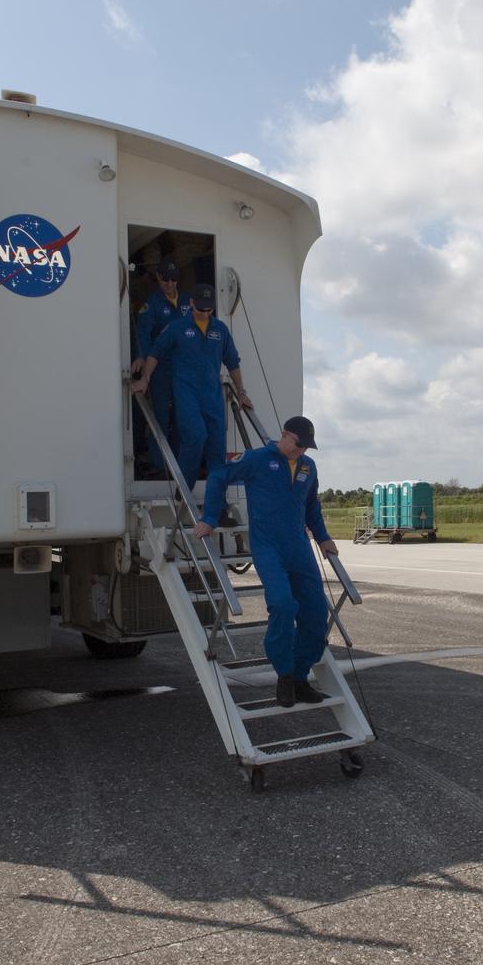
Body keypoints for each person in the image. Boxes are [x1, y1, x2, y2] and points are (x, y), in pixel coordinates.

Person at [194, 416, 338, 708]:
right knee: (283, 605)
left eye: (307, 447)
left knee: (316, 613)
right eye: (299, 445)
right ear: (284, 435)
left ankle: (299, 677)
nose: (302, 451)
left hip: (299, 547)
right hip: (268, 547)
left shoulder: (309, 468)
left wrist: (323, 537)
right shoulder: (257, 459)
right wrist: (210, 517)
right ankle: (284, 675)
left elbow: (312, 506)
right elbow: (219, 475)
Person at [132, 282, 251, 492]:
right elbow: (155, 353)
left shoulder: (220, 330)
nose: (204, 313)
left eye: (209, 309)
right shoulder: (177, 327)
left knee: (217, 448)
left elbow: (233, 362)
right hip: (187, 393)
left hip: (212, 396)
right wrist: (145, 379)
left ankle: (218, 505)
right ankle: (184, 488)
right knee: (196, 436)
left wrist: (241, 393)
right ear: (191, 303)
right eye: (200, 309)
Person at [131, 260, 191, 473]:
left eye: (174, 280)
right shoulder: (152, 304)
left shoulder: (187, 301)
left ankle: (178, 464)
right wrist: (141, 356)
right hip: (160, 368)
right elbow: (143, 333)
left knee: (182, 417)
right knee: (161, 418)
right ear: (158, 278)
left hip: (184, 369)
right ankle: (160, 466)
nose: (170, 284)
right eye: (165, 279)